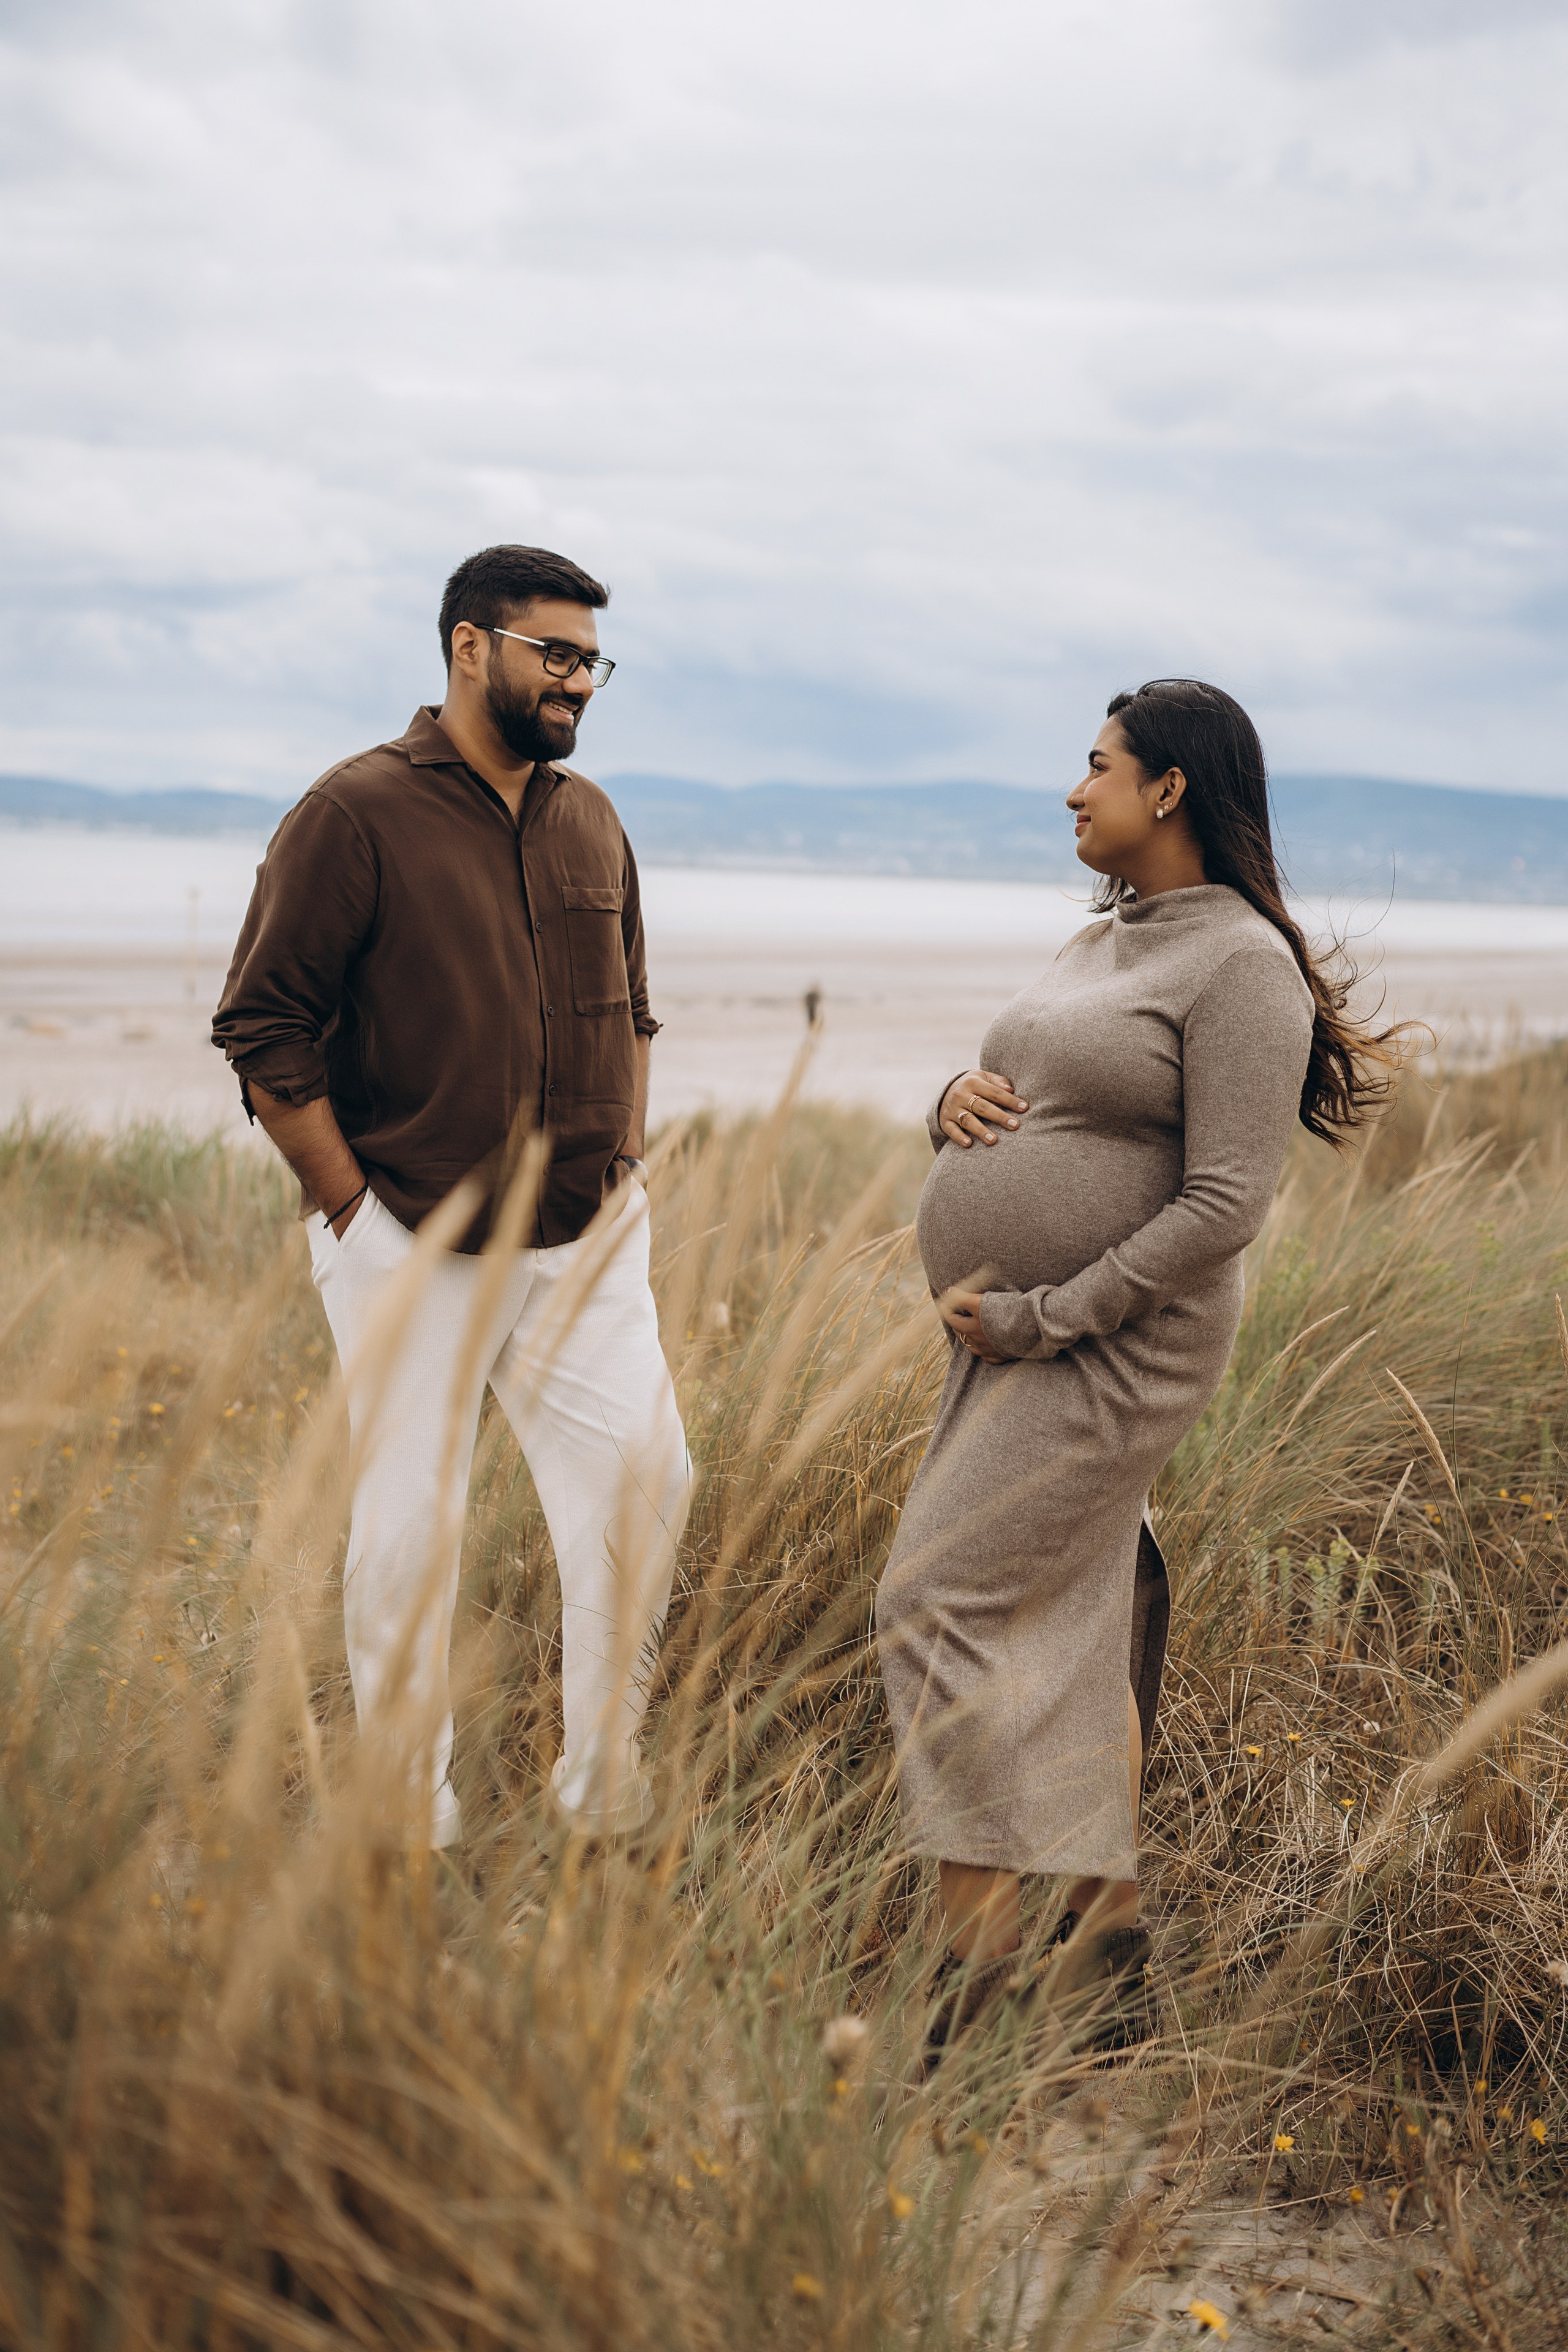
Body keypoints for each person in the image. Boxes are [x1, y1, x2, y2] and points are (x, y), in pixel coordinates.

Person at [875, 677, 1400, 2057]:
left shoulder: (1240, 966)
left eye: (1098, 765)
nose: (1074, 787)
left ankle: (974, 1982)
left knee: (932, 1599)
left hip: (1113, 1344)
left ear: (1168, 788)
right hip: (1019, 1334)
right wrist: (946, 1102)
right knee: (1068, 1621)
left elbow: (1226, 1204)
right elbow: (1032, 1092)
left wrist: (1050, 1315)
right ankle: (1107, 1971)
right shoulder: (1104, 936)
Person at [213, 544, 691, 1849]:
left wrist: (623, 1163)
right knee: (410, 1532)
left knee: (646, 1483)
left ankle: (603, 1796)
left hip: (586, 1237)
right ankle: (405, 1822)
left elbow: (632, 1011)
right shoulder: (352, 812)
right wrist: (352, 1214)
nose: (578, 681)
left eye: (592, 659)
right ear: (470, 647)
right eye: (556, 652)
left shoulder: (591, 819)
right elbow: (263, 1027)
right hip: (409, 1234)